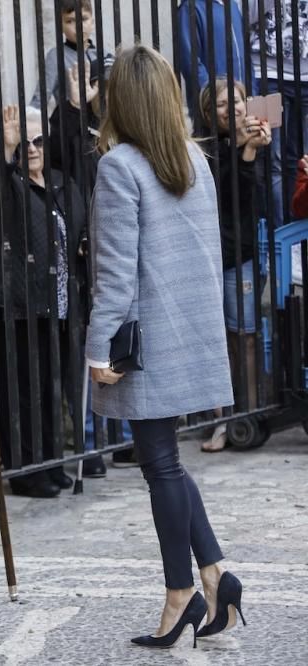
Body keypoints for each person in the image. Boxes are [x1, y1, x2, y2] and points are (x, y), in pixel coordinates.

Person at [87, 45, 245, 647]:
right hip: (186, 331)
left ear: (121, 101)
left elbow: (116, 273)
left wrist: (99, 348)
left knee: (160, 466)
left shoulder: (120, 165)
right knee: (168, 463)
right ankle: (216, 576)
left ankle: (180, 589)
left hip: (142, 341)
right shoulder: (194, 160)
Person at [0, 105, 88, 498]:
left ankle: (52, 462)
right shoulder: (8, 184)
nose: (33, 148)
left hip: (59, 307)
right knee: (21, 390)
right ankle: (25, 470)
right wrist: (6, 151)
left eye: (39, 140)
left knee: (51, 388)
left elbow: (81, 225)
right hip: (19, 309)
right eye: (25, 142)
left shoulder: (61, 183)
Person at [199, 79, 271, 452]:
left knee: (246, 337)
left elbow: (255, 198)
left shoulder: (260, 135)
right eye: (223, 105)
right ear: (210, 114)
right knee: (218, 342)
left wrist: (253, 151)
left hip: (247, 253)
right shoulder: (206, 148)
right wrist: (242, 153)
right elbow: (223, 197)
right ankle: (222, 421)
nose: (233, 110)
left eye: (237, 101)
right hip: (215, 255)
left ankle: (252, 414)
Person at [249, 1, 308, 226]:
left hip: (305, 77)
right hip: (265, 72)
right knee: (269, 156)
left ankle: (296, 237)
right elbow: (246, 16)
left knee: (299, 159)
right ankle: (277, 233)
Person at [178, 0, 258, 126]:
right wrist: (215, 97)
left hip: (239, 107)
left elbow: (246, 57)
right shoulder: (190, 7)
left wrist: (251, 95)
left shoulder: (232, 5)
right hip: (214, 111)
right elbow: (190, 62)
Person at [30, 0, 112, 113]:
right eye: (70, 21)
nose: (78, 26)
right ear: (60, 26)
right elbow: (40, 99)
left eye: (83, 19)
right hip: (71, 123)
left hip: (102, 125)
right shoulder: (56, 56)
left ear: (92, 23)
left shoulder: (105, 55)